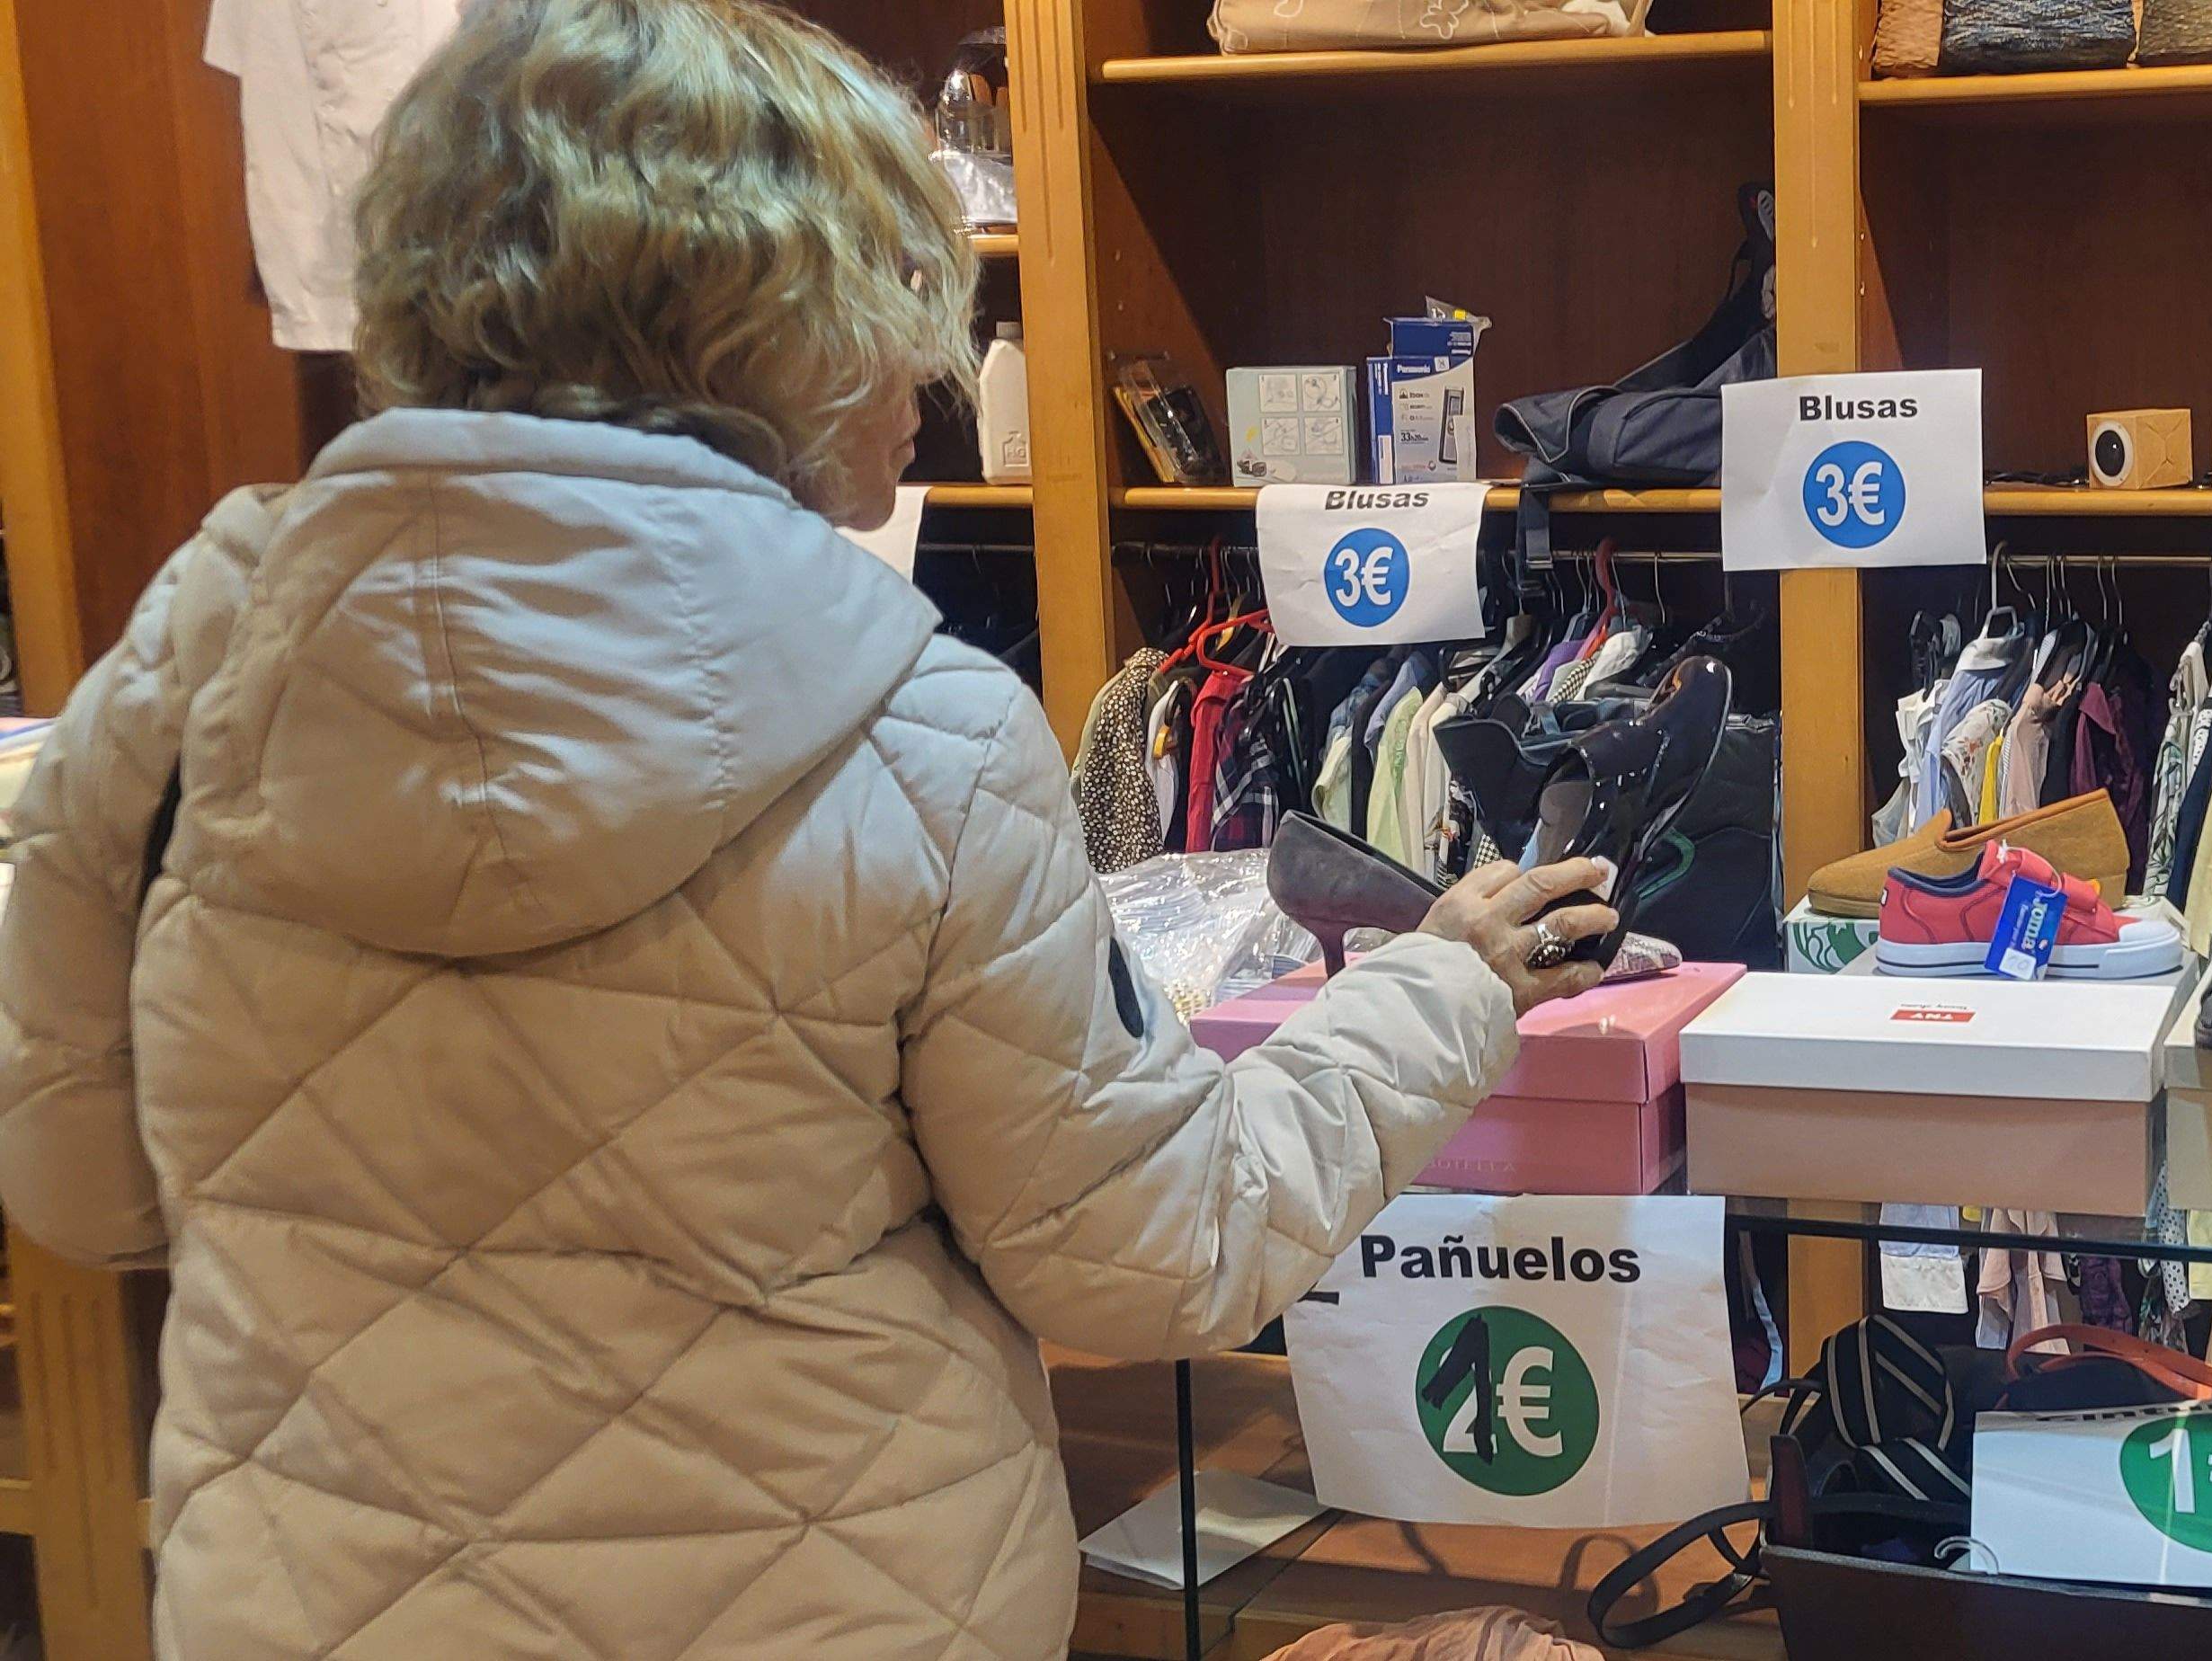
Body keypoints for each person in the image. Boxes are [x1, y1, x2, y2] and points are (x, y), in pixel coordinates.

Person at [0, 1, 1612, 1654]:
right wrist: (1442, 983)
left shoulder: (166, 695)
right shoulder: (920, 734)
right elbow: (1147, 1255)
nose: (933, 363)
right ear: (764, 330)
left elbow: (81, 1185)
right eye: (901, 296)